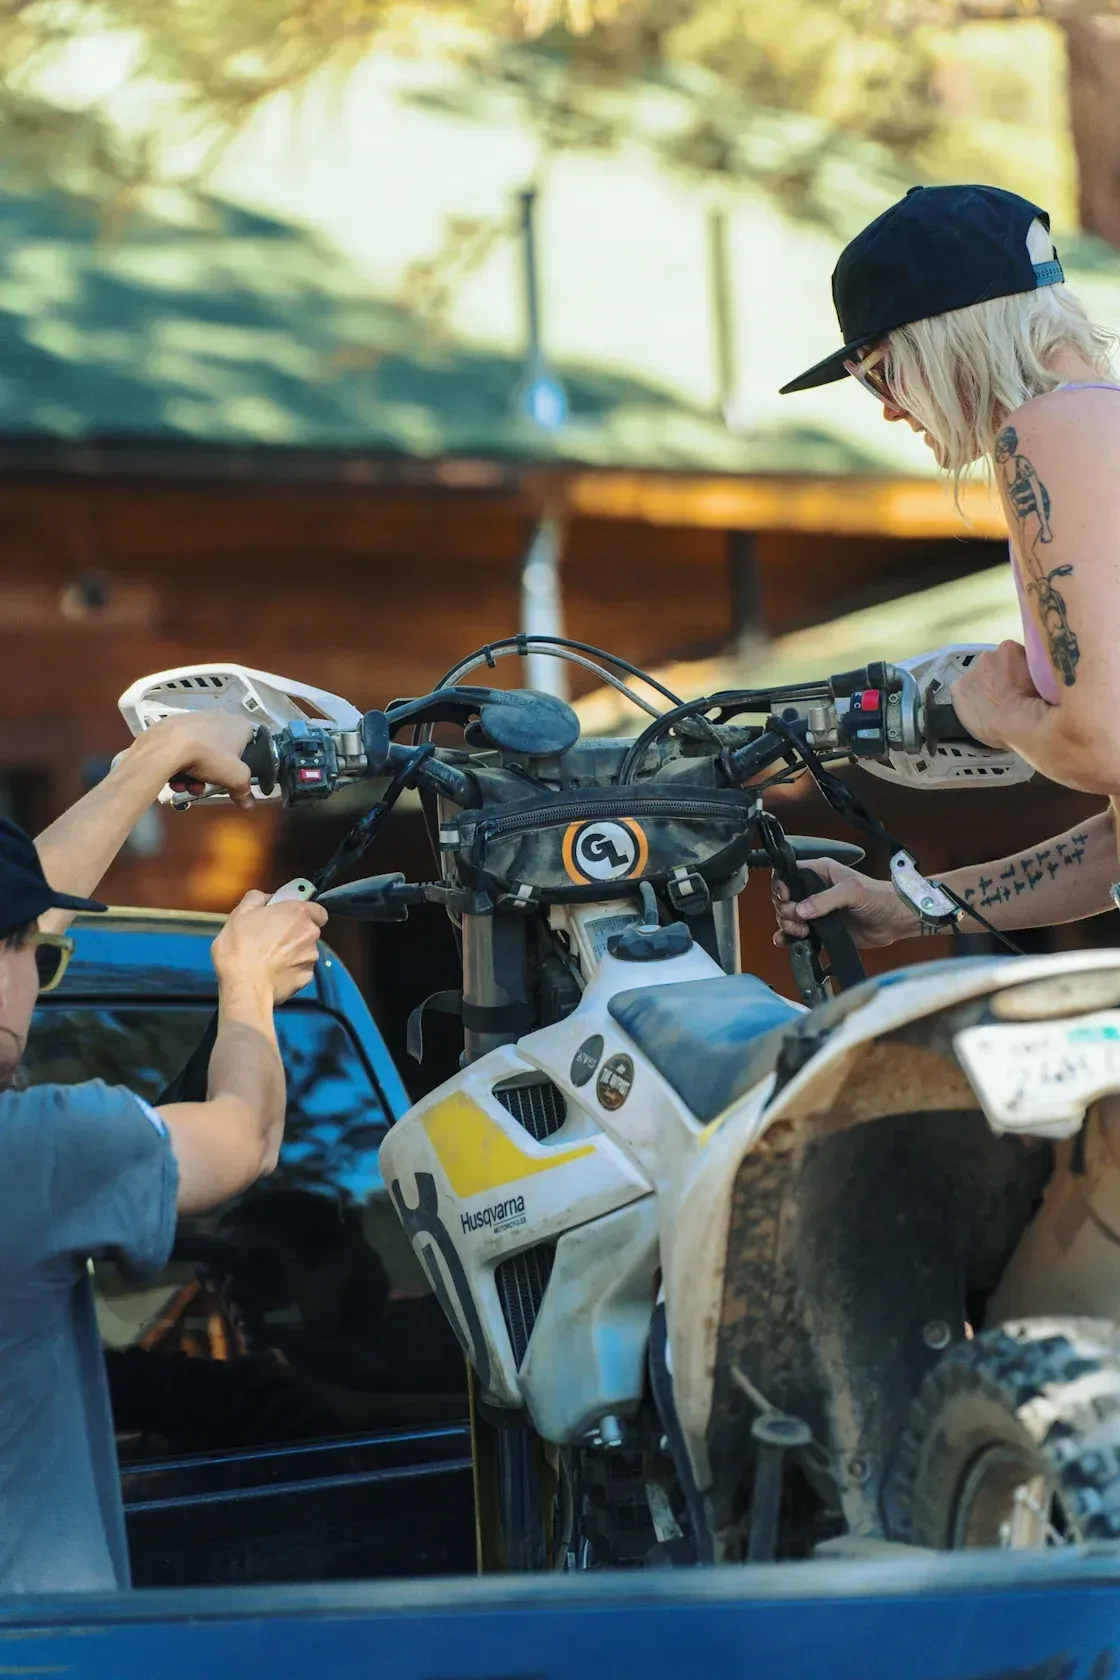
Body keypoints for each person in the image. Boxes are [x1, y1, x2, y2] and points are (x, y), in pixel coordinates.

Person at [0, 712, 327, 1593]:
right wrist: (250, 990)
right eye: (40, 957)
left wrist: (161, 755)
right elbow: (244, 1139)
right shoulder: (36, 1152)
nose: (42, 969)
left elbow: (26, 901)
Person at [774, 183, 1120, 953]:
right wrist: (909, 905)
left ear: (945, 334)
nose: (888, 409)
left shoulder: (1050, 430)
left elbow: (1103, 746)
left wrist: (1001, 717)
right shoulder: (1100, 420)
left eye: (877, 371)